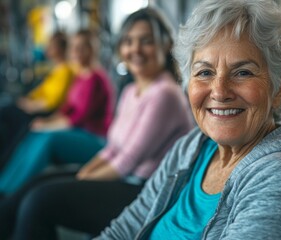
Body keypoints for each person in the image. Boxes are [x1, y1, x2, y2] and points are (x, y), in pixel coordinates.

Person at [95, 0, 281, 239]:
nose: (219, 91)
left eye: (242, 72)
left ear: (278, 89)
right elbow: (126, 228)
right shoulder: (192, 147)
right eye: (205, 72)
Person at [0, 8, 194, 240]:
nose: (135, 49)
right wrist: (82, 174)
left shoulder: (165, 93)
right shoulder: (132, 90)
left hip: (147, 193)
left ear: (165, 45)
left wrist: (80, 180)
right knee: (35, 185)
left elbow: (128, 161)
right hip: (126, 179)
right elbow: (112, 149)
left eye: (147, 41)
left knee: (40, 201)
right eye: (128, 41)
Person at [0, 29, 114, 195]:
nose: (77, 52)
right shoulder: (80, 77)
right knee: (33, 132)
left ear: (92, 49)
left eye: (83, 47)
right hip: (77, 131)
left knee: (49, 138)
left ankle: (11, 191)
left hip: (94, 138)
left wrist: (48, 126)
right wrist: (45, 123)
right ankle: (5, 183)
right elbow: (66, 110)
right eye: (75, 47)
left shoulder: (96, 78)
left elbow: (77, 119)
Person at [0, 31, 74, 167]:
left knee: (8, 116)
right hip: (33, 107)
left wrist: (30, 106)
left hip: (44, 112)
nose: (47, 48)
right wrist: (26, 101)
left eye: (51, 46)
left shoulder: (65, 71)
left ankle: (7, 161)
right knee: (5, 111)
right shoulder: (54, 70)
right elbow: (38, 93)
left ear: (59, 48)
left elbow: (52, 102)